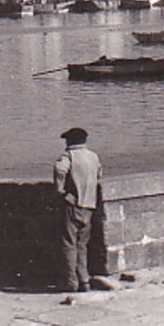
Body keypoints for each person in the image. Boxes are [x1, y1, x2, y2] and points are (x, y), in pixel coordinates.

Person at [53, 126, 102, 294]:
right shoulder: (93, 157)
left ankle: (71, 281)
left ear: (70, 141)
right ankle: (84, 280)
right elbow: (99, 176)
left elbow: (60, 170)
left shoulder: (69, 156)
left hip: (73, 205)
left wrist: (61, 191)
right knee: (82, 245)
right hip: (90, 205)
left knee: (69, 244)